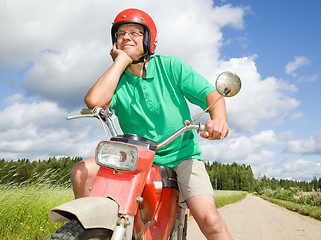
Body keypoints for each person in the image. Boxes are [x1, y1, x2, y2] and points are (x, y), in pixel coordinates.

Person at [71, 8, 232, 240]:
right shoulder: (116, 78)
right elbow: (95, 101)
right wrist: (122, 61)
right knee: (80, 172)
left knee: (210, 222)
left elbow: (211, 94)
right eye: (120, 33)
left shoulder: (171, 67)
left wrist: (219, 120)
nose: (126, 37)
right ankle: (89, 230)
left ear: (149, 39)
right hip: (138, 157)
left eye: (135, 32)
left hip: (181, 155)